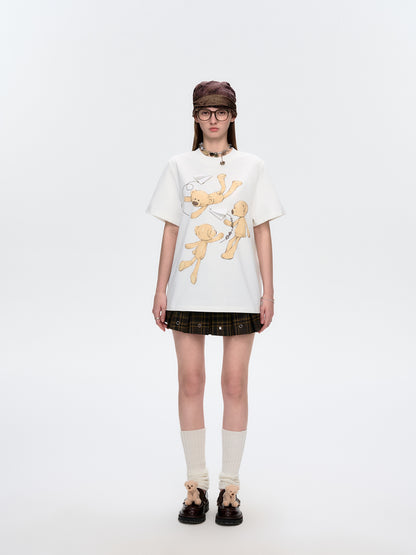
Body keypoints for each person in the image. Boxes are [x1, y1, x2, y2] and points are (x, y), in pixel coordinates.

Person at [145, 81, 285, 526]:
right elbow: (171, 228)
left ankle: (230, 487)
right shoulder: (178, 166)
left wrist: (268, 291)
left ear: (233, 116)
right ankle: (195, 485)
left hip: (240, 292)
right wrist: (161, 288)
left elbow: (261, 229)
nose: (213, 119)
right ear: (195, 116)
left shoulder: (253, 167)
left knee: (234, 385)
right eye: (205, 111)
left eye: (221, 111)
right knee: (191, 382)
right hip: (188, 290)